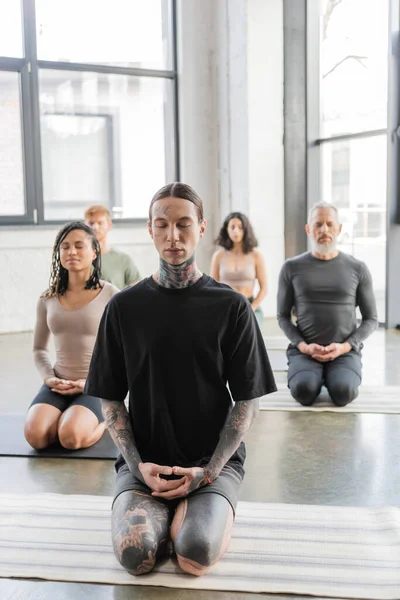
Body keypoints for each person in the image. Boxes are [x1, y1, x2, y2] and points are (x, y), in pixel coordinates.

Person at [85, 183, 276, 577]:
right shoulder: (123, 308)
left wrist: (208, 472)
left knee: (194, 556)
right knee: (136, 557)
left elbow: (247, 402)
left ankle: (197, 514)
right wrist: (138, 467)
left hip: (212, 465)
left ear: (202, 228)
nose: (173, 235)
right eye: (163, 224)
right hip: (144, 461)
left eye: (184, 224)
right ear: (150, 229)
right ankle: (165, 515)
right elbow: (111, 401)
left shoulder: (232, 307)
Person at [24, 222, 119, 451]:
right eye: (65, 247)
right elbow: (39, 349)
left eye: (79, 245)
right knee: (35, 436)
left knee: (70, 437)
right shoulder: (48, 298)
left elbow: (125, 353)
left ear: (94, 252)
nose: (71, 252)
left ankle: (107, 421)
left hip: (94, 386)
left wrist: (91, 383)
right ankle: (68, 414)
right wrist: (48, 378)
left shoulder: (111, 295)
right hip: (58, 383)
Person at [277, 201, 378, 407]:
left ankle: (332, 375)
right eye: (318, 224)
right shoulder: (291, 267)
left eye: (330, 224)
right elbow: (282, 316)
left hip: (345, 351)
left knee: (343, 393)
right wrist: (304, 347)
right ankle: (314, 375)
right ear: (308, 229)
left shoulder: (358, 268)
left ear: (339, 229)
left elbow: (371, 319)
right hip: (306, 351)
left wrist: (344, 347)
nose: (324, 230)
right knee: (304, 392)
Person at [210, 212, 267, 328]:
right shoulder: (218, 256)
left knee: (247, 332)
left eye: (240, 227)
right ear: (226, 229)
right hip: (225, 306)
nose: (236, 231)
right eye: (232, 227)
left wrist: (252, 308)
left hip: (250, 306)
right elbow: (212, 287)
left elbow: (264, 288)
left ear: (246, 230)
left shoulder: (256, 255)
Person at [84, 205, 140, 289]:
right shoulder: (78, 260)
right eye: (91, 223)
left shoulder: (123, 260)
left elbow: (137, 291)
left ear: (109, 225)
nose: (95, 227)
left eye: (100, 223)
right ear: (84, 226)